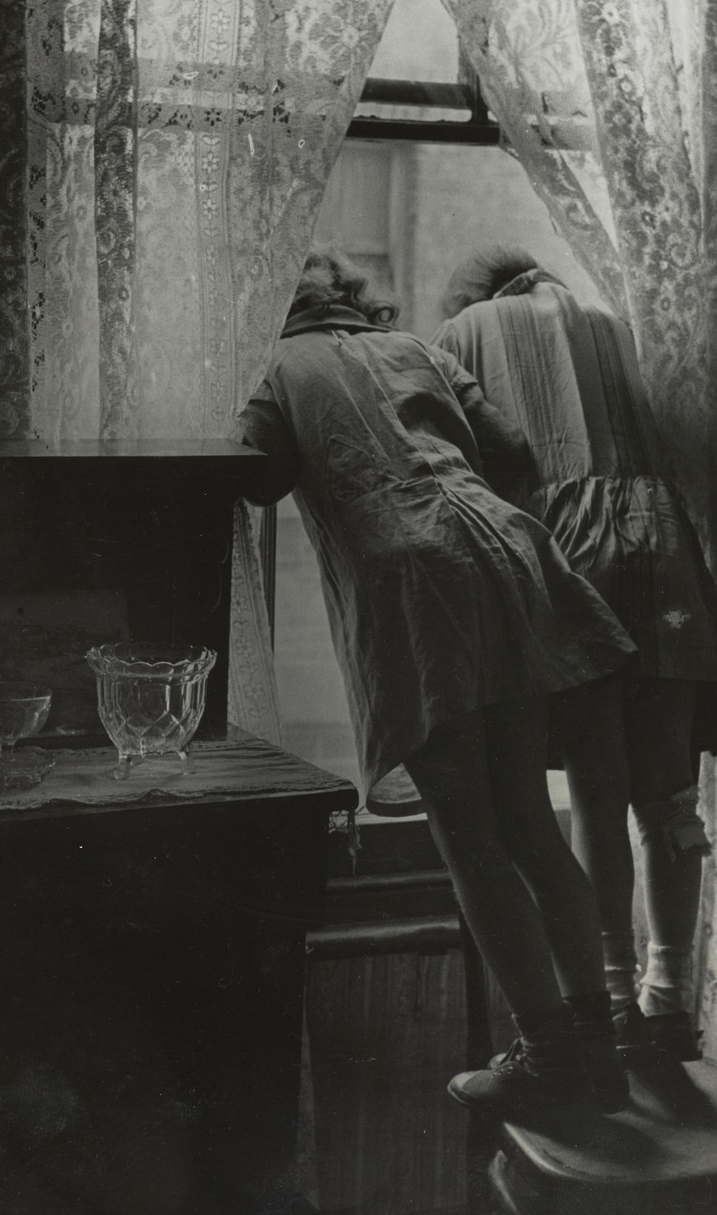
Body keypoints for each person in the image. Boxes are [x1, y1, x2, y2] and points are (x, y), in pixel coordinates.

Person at [239, 250, 638, 1122]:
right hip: (506, 551)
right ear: (350, 299)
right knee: (529, 823)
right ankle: (598, 1050)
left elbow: (256, 477)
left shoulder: (276, 367)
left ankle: (544, 1056)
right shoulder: (417, 348)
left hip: (411, 577)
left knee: (469, 839)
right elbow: (515, 452)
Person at [432, 251, 717, 1063]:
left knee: (596, 795)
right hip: (660, 542)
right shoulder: (611, 324)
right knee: (670, 801)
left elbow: (472, 469)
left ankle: (611, 1001)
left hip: (572, 548)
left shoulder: (460, 335)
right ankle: (669, 1002)